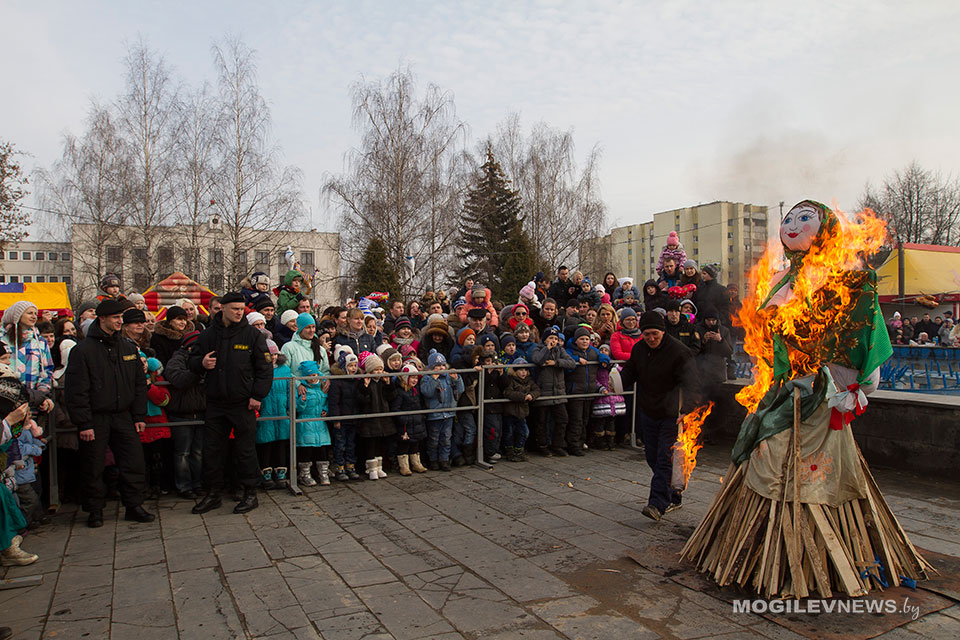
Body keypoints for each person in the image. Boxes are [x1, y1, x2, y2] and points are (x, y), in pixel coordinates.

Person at [64, 298, 155, 528]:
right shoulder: (83, 351)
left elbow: (138, 384)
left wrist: (138, 416)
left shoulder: (127, 347)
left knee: (133, 462)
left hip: (124, 416)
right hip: (96, 417)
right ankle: (94, 510)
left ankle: (133, 505)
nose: (119, 322)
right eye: (115, 318)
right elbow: (76, 390)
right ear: (102, 319)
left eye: (120, 318)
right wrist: (84, 423)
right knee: (93, 465)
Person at [189, 292, 273, 516]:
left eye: (241, 309)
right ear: (222, 308)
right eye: (234, 308)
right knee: (213, 450)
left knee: (245, 450)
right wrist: (202, 363)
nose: (238, 312)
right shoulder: (208, 335)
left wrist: (257, 395)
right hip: (215, 402)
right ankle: (213, 493)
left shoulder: (252, 336)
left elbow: (265, 369)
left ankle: (250, 493)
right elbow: (192, 359)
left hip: (243, 403)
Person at [621, 311, 700, 521]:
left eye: (654, 334)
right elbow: (630, 372)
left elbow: (693, 384)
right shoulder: (639, 349)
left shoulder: (680, 352)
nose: (651, 339)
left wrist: (687, 411)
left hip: (672, 413)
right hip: (649, 409)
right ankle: (673, 492)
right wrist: (618, 382)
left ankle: (657, 504)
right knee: (652, 456)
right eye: (646, 335)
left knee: (665, 457)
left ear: (662, 332)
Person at [163, 330, 206, 499]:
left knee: (198, 452)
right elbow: (176, 378)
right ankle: (184, 486)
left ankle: (198, 483)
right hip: (182, 412)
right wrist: (197, 373)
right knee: (182, 453)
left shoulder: (204, 359)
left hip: (201, 411)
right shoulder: (177, 359)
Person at [531, 326, 576, 457]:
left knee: (563, 419)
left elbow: (571, 363)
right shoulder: (538, 349)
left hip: (558, 392)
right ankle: (542, 445)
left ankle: (557, 445)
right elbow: (537, 360)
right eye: (551, 338)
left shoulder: (560, 351)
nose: (553, 341)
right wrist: (547, 349)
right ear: (545, 339)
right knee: (542, 421)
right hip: (544, 391)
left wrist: (556, 363)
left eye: (555, 338)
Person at [420, 350, 464, 471]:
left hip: (448, 413)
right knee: (434, 440)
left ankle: (444, 460)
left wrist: (457, 379)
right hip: (434, 414)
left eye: (443, 365)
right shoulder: (427, 378)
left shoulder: (448, 377)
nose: (441, 368)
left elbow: (460, 390)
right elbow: (427, 392)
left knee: (446, 439)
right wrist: (434, 380)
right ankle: (433, 460)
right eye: (437, 366)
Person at [694, 308, 733, 444]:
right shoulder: (697, 329)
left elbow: (728, 352)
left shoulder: (724, 331)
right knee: (700, 404)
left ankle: (713, 435)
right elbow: (694, 350)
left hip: (716, 374)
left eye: (713, 320)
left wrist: (720, 340)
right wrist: (703, 342)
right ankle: (698, 434)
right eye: (709, 320)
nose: (711, 323)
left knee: (715, 406)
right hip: (702, 372)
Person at [356, 353, 396, 480]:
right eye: (376, 369)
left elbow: (391, 397)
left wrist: (389, 384)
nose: (378, 372)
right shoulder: (364, 383)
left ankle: (379, 467)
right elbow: (362, 400)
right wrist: (365, 387)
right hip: (370, 418)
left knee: (381, 443)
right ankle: (371, 468)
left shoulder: (383, 382)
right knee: (371, 444)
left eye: (380, 369)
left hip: (383, 417)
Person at [294, 360, 331, 486]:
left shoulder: (322, 387)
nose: (312, 378)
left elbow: (326, 402)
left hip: (320, 423)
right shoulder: (302, 389)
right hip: (306, 423)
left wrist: (326, 410)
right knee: (306, 449)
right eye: (309, 376)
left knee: (322, 449)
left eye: (314, 376)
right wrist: (302, 402)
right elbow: (298, 408)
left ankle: (323, 473)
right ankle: (305, 474)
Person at [328, 348, 362, 481]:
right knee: (340, 443)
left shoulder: (357, 380)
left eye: (355, 365)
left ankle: (350, 465)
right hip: (341, 418)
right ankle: (339, 466)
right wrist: (336, 419)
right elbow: (334, 401)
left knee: (350, 443)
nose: (353, 368)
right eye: (350, 366)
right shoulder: (338, 381)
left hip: (353, 417)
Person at [391, 361, 428, 475]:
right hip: (405, 423)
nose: (415, 380)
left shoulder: (416, 391)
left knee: (415, 444)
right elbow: (395, 408)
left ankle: (416, 463)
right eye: (412, 378)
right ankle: (404, 466)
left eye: (416, 378)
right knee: (404, 445)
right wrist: (402, 419)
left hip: (416, 420)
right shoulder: (400, 392)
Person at [501, 357, 540, 461]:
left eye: (525, 370)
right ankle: (509, 452)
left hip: (522, 413)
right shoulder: (510, 381)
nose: (523, 372)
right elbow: (508, 393)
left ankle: (519, 451)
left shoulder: (529, 381)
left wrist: (532, 395)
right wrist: (523, 396)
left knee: (524, 432)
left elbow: (537, 390)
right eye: (520, 370)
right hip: (510, 412)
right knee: (509, 433)